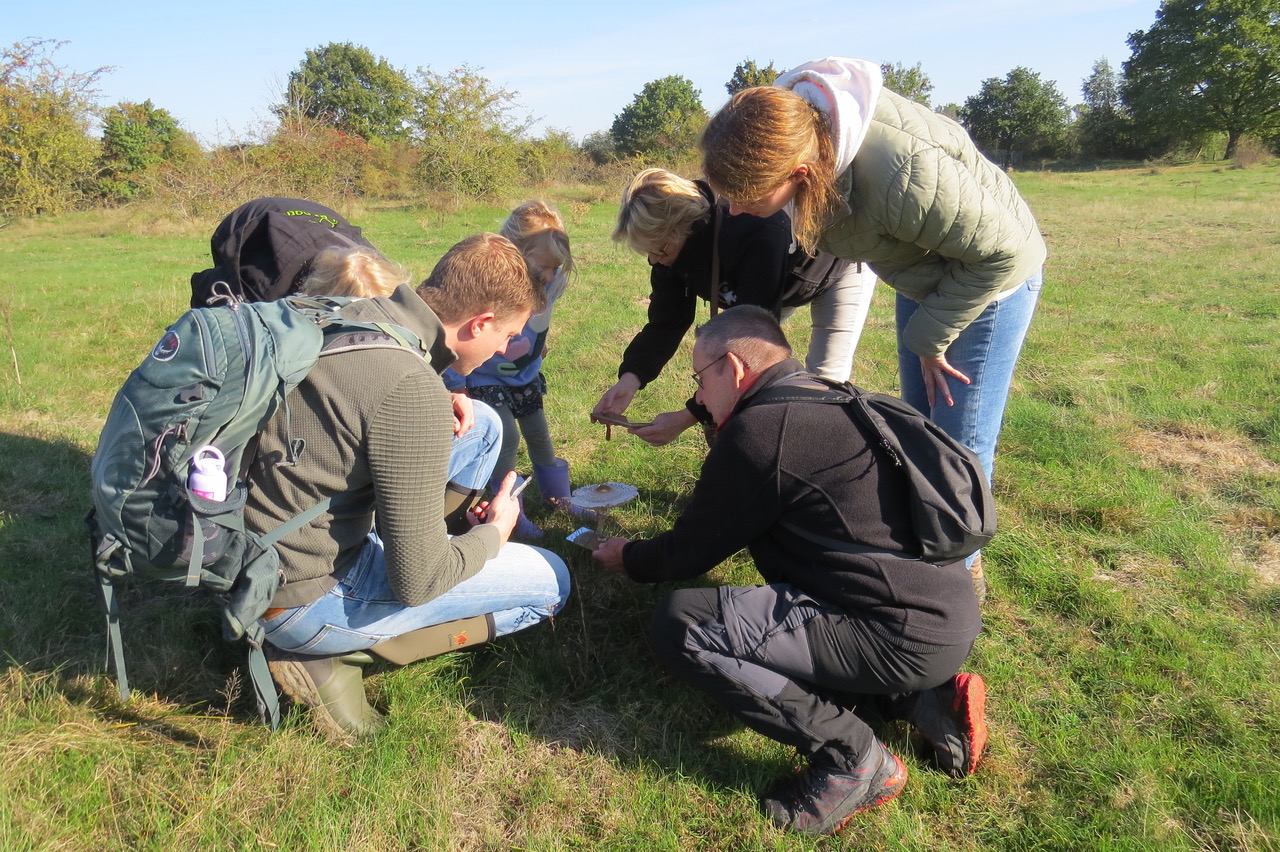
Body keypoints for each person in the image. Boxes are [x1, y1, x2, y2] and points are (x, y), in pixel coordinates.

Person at [592, 307, 986, 836]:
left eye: (699, 380)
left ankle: (852, 757)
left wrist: (628, 557)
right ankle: (923, 699)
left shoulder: (761, 431)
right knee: (785, 613)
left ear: (734, 368)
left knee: (683, 623)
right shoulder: (825, 394)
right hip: (942, 617)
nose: (700, 398)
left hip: (896, 634)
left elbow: (686, 552)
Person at [700, 57, 1047, 597]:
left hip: (990, 283)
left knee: (960, 440)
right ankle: (926, 550)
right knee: (920, 427)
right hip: (928, 274)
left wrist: (929, 337)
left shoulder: (900, 175)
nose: (737, 211)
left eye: (747, 198)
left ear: (800, 174)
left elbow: (1004, 253)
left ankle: (957, 581)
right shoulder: (795, 142)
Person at [246, 234, 572, 744]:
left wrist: (438, 392)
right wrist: (493, 534)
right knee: (553, 581)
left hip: (254, 554)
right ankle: (325, 655)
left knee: (484, 425)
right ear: (480, 322)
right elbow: (417, 583)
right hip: (300, 598)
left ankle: (417, 548)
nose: (506, 349)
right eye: (508, 334)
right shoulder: (408, 385)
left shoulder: (355, 312)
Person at [593, 167, 877, 447]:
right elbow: (666, 322)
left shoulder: (754, 228)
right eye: (649, 253)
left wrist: (688, 416)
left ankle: (812, 455)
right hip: (765, 288)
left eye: (660, 250)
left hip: (833, 268)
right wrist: (630, 379)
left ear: (684, 227)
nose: (655, 260)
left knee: (825, 379)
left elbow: (751, 348)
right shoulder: (669, 250)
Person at [443, 201, 586, 539]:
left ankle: (558, 497)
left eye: (555, 267)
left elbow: (541, 319)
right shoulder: (492, 288)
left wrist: (538, 348)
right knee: (507, 438)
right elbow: (458, 339)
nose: (549, 275)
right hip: (485, 378)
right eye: (543, 266)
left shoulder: (551, 282)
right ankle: (507, 508)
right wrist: (457, 383)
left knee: (539, 435)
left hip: (525, 377)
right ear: (515, 254)